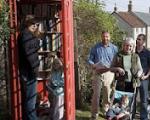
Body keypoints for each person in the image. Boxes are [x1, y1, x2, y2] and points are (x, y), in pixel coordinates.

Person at [109, 37, 143, 119]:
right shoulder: (118, 55)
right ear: (123, 46)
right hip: (121, 83)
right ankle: (117, 116)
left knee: (130, 103)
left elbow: (140, 69)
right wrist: (117, 69)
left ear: (133, 47)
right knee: (118, 102)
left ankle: (129, 117)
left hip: (132, 83)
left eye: (130, 46)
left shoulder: (136, 56)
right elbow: (111, 68)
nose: (128, 47)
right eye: (127, 45)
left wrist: (139, 73)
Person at [88, 31, 118, 120]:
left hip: (109, 73)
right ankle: (94, 114)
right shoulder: (95, 47)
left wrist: (115, 69)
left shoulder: (114, 48)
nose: (106, 38)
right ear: (101, 37)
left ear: (110, 37)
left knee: (107, 93)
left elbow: (117, 60)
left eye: (107, 37)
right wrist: (93, 64)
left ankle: (106, 112)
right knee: (96, 94)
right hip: (97, 72)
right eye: (104, 36)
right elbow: (90, 59)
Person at [18, 15, 40, 120]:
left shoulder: (27, 35)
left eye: (36, 24)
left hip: (28, 70)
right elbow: (29, 54)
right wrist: (35, 69)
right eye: (32, 24)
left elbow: (34, 48)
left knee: (29, 99)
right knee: (31, 100)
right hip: (29, 71)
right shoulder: (26, 36)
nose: (34, 26)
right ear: (27, 23)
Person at [136, 34, 150, 120]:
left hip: (144, 80)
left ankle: (143, 117)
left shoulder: (148, 53)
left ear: (143, 41)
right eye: (137, 39)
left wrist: (146, 76)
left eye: (139, 39)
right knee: (132, 97)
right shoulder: (133, 50)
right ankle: (130, 114)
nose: (137, 40)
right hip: (133, 79)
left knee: (144, 99)